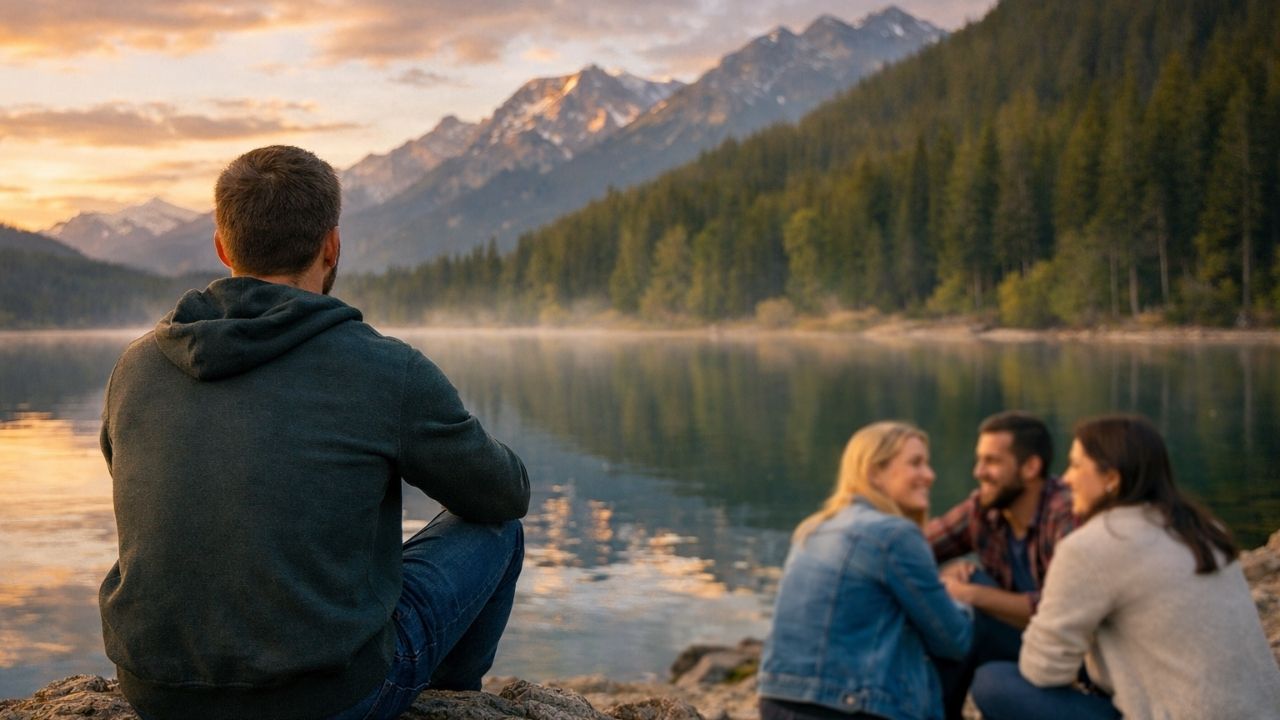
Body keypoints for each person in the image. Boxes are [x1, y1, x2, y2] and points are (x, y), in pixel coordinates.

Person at [98, 145, 531, 720]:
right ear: (332, 246)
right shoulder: (384, 369)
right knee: (497, 531)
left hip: (157, 695)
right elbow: (504, 494)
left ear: (223, 247)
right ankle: (449, 702)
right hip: (329, 699)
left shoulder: (136, 367)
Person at [971, 414, 1280, 720]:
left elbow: (1042, 670)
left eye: (1076, 465)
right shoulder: (1203, 528)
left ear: (1112, 479)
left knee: (992, 683)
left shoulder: (1094, 544)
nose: (1065, 479)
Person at [758, 422, 973, 720]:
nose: (929, 475)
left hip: (777, 700)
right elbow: (954, 640)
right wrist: (955, 592)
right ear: (874, 472)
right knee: (968, 624)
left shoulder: (814, 527)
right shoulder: (894, 534)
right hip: (844, 709)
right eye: (915, 463)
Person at [924, 411, 1075, 719]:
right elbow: (910, 553)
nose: (978, 472)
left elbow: (1060, 611)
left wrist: (971, 594)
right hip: (1020, 642)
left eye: (992, 461)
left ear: (1031, 467)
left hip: (1067, 656)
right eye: (979, 460)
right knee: (954, 600)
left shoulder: (1065, 513)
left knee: (968, 603)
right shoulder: (984, 509)